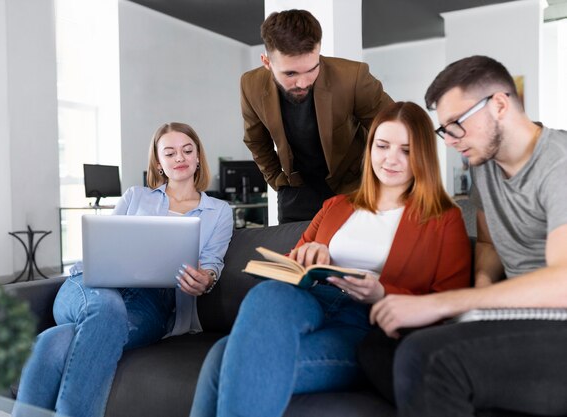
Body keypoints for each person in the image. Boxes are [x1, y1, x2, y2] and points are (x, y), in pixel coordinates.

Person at [189, 101, 471, 417]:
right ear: (371, 148)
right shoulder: (336, 206)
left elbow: (449, 302)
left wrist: (382, 292)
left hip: (364, 323)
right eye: (382, 145)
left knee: (222, 357)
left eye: (406, 150)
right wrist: (307, 256)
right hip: (309, 299)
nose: (391, 158)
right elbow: (289, 264)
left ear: (424, 156)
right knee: (267, 294)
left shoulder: (443, 219)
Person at [369, 56, 567, 416]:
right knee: (378, 346)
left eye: (456, 124)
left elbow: (563, 283)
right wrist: (480, 292)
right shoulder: (485, 167)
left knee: (426, 358)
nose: (449, 141)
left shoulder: (559, 163)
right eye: (444, 130)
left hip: (559, 324)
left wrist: (447, 303)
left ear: (500, 105)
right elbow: (490, 244)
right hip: (520, 318)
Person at [12, 122, 233, 417]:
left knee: (55, 341)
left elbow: (212, 264)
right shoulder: (135, 196)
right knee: (107, 307)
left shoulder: (218, 211)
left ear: (197, 157)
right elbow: (104, 244)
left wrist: (206, 279)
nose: (179, 158)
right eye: (170, 152)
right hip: (91, 286)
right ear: (159, 162)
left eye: (187, 150)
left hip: (152, 305)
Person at [241, 9, 393, 223]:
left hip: (352, 186)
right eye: (290, 74)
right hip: (297, 192)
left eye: (312, 69)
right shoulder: (251, 85)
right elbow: (256, 140)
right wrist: (277, 180)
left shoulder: (353, 77)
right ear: (267, 62)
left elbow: (395, 129)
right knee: (294, 256)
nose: (303, 83)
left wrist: (380, 181)